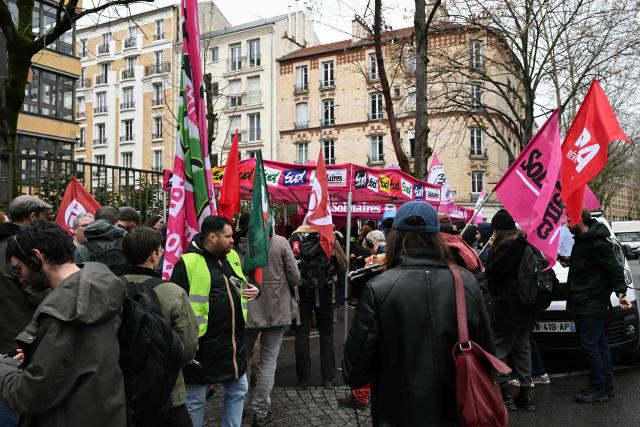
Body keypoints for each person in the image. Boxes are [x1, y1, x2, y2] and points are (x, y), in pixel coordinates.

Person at [343, 201, 494, 426]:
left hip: (397, 413)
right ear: (437, 237)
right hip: (457, 410)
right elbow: (488, 353)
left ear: (395, 237)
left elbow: (354, 372)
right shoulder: (467, 283)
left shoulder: (378, 288)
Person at [0, 220, 126, 426]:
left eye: (18, 268)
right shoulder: (100, 285)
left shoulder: (64, 311)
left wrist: (3, 367)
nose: (19, 278)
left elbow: (29, 394)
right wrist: (39, 352)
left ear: (36, 257)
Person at [170, 216, 260, 427]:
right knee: (195, 400)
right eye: (228, 236)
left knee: (238, 391)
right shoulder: (187, 263)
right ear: (212, 237)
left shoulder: (232, 257)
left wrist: (256, 288)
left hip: (233, 343)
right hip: (202, 347)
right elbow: (176, 306)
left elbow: (242, 283)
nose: (232, 240)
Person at [122, 226, 198, 426]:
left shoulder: (111, 287)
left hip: (122, 388)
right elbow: (188, 348)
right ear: (154, 255)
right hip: (167, 390)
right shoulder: (173, 292)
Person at [0, 196, 53, 426]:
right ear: (33, 217)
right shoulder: (21, 249)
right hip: (19, 344)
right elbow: (38, 295)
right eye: (44, 217)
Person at [567, 209, 630, 403]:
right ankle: (605, 384)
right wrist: (570, 262)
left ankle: (599, 387)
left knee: (590, 344)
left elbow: (614, 269)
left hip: (592, 301)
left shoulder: (597, 243)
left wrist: (621, 293)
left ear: (580, 221)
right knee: (599, 343)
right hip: (587, 299)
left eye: (570, 220)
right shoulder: (584, 240)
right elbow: (591, 266)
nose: (567, 223)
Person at [243, 228, 300, 427]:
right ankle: (261, 412)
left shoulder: (237, 243)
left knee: (244, 357)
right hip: (276, 308)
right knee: (268, 360)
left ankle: (239, 405)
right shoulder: (280, 242)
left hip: (247, 310)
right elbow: (295, 277)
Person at [485, 209, 536, 411]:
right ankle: (526, 393)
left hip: (509, 308)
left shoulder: (508, 248)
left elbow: (493, 272)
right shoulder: (525, 246)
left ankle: (504, 394)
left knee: (500, 350)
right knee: (523, 349)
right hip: (526, 308)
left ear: (501, 231)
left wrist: (491, 251)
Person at [290, 224, 347, 389]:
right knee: (327, 333)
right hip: (326, 291)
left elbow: (288, 266)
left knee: (302, 333)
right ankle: (328, 378)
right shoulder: (330, 236)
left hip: (302, 291)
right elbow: (343, 266)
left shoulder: (295, 237)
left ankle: (303, 380)